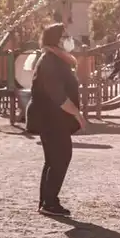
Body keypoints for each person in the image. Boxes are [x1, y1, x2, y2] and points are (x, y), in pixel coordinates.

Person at [27, 23, 86, 217]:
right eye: (64, 35)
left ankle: (47, 201)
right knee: (60, 157)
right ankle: (50, 202)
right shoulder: (50, 60)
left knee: (53, 159)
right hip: (50, 118)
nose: (68, 38)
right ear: (55, 39)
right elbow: (57, 94)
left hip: (53, 118)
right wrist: (76, 113)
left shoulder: (57, 59)